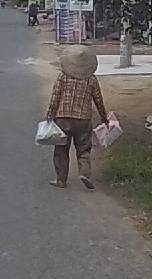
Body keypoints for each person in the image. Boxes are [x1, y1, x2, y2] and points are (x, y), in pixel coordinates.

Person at [44, 46, 109, 190]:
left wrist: (50, 115)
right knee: (84, 149)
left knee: (61, 149)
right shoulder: (91, 79)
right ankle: (84, 173)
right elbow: (98, 100)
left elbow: (55, 97)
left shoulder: (63, 77)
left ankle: (61, 180)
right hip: (83, 120)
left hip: (63, 118)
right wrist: (104, 117)